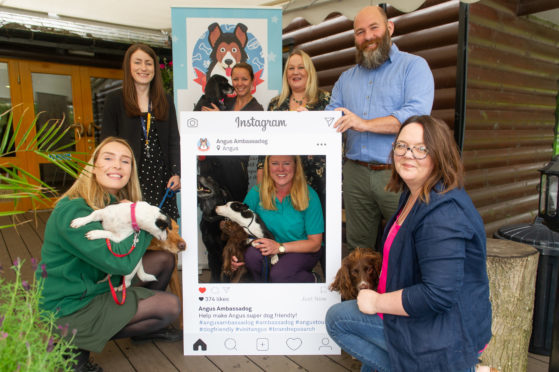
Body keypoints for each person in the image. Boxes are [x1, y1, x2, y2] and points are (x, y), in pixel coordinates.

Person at [325, 116, 492, 371]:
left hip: (443, 331)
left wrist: (378, 302)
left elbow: (437, 295)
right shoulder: (413, 194)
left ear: (439, 154)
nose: (407, 154)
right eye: (401, 146)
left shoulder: (443, 214)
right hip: (421, 318)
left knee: (338, 319)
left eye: (420, 148)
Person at [37, 137, 181, 372]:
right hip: (70, 305)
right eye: (108, 158)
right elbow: (122, 263)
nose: (117, 165)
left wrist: (135, 216)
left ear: (130, 172)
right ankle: (73, 344)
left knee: (164, 260)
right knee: (169, 307)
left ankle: (138, 325)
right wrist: (143, 222)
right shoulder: (74, 209)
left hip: (98, 284)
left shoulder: (111, 203)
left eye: (125, 161)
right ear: (93, 167)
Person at [326, 6, 434, 251]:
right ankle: (362, 291)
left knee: (405, 245)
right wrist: (306, 120)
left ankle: (398, 291)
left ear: (389, 28)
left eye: (374, 28)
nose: (368, 37)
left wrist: (363, 124)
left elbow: (414, 118)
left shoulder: (414, 67)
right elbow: (330, 116)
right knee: (358, 249)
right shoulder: (346, 79)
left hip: (397, 172)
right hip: (355, 174)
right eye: (360, 32)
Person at [102, 43, 180, 220]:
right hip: (129, 179)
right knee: (131, 226)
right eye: (137, 62)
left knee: (162, 232)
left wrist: (176, 173)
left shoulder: (165, 100)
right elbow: (107, 143)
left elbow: (174, 140)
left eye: (148, 63)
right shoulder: (114, 100)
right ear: (128, 66)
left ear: (155, 68)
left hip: (162, 179)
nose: (143, 68)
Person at [232, 155, 324, 283]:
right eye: (275, 163)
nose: (281, 169)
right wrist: (235, 254)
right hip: (269, 247)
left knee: (280, 275)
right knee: (251, 258)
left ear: (296, 166)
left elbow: (315, 244)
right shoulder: (256, 192)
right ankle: (264, 293)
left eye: (286, 163)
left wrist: (279, 247)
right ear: (268, 167)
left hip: (302, 249)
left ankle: (313, 279)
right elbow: (239, 229)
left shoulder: (310, 196)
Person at [260, 50, 330, 210]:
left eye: (301, 67)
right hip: (283, 178)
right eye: (291, 68)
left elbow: (336, 139)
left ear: (309, 71)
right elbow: (265, 145)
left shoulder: (326, 101)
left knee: (317, 226)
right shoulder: (275, 105)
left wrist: (311, 122)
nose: (295, 72)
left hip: (319, 179)